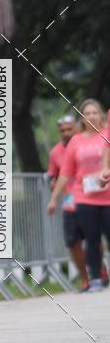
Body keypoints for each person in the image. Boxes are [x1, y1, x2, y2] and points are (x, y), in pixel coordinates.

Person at [47, 100, 110, 293]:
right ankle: (96, 279)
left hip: (107, 196)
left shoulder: (107, 135)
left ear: (101, 115)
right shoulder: (76, 141)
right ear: (81, 119)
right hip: (85, 198)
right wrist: (54, 198)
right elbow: (66, 172)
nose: (91, 116)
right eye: (87, 113)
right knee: (91, 240)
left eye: (95, 112)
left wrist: (106, 170)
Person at [47, 114, 91, 291]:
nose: (65, 133)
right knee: (73, 241)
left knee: (93, 238)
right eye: (62, 131)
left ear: (78, 128)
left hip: (90, 197)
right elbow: (52, 174)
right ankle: (85, 277)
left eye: (69, 129)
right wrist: (52, 183)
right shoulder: (55, 152)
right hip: (70, 200)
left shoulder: (88, 145)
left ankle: (99, 268)